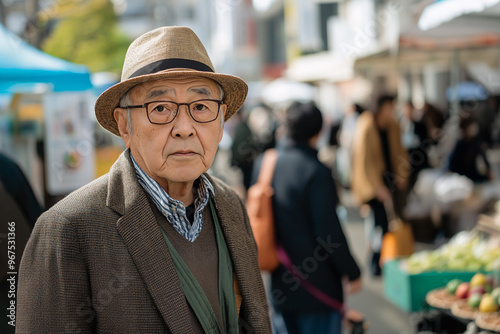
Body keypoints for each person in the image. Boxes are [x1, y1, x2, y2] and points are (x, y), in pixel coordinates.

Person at [17, 26, 271, 333]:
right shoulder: (69, 227)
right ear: (125, 125)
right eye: (160, 108)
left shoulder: (229, 204)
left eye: (201, 107)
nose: (185, 128)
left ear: (220, 122)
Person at [254, 102, 361, 334]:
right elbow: (328, 233)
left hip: (280, 285)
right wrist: (352, 272)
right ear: (318, 131)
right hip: (318, 289)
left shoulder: (265, 163)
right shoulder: (316, 171)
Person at [351, 94, 408, 276]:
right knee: (380, 225)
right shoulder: (366, 124)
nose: (391, 109)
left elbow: (400, 151)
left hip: (390, 182)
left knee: (391, 224)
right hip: (375, 186)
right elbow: (363, 161)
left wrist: (401, 174)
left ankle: (388, 260)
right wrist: (377, 188)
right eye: (389, 105)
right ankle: (376, 262)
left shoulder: (393, 125)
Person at [447, 111, 491, 183]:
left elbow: (485, 161)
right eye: (469, 125)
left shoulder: (477, 141)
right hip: (464, 181)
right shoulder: (460, 144)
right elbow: (452, 165)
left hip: (479, 180)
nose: (472, 128)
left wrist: (489, 172)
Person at [401, 101, 431, 191]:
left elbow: (426, 143)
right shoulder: (400, 126)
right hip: (406, 163)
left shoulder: (420, 126)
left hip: (419, 162)